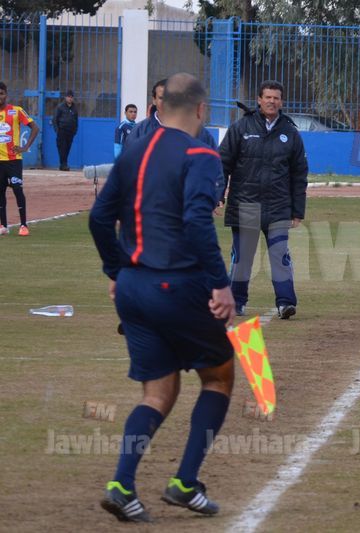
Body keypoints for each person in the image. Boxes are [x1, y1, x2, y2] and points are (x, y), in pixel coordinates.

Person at [89, 73, 236, 522]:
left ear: (159, 106)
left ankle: (121, 485)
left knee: (158, 393)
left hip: (132, 289)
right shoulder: (200, 153)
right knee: (219, 377)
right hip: (176, 284)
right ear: (201, 109)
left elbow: (99, 218)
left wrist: (115, 270)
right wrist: (221, 283)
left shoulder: (133, 151)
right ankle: (185, 482)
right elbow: (197, 221)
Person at [220, 80, 308, 319]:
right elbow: (223, 163)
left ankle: (285, 303)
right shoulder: (241, 127)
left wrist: (297, 210)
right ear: (259, 100)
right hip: (246, 204)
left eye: (276, 98)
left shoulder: (290, 133)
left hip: (278, 206)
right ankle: (237, 302)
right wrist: (218, 195)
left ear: (281, 102)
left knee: (280, 255)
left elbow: (299, 174)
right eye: (267, 97)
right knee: (243, 257)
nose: (272, 101)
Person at [125, 79, 218, 150]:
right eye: (161, 98)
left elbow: (213, 164)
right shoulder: (140, 131)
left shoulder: (200, 133)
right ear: (154, 100)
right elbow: (128, 163)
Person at [0, 81, 40, 237]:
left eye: (1, 93)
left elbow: (35, 127)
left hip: (14, 160)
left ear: (6, 95)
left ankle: (23, 225)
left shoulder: (16, 111)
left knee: (17, 189)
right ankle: (3, 225)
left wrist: (25, 147)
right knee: (0, 192)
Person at [54, 89, 78, 171]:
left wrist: (75, 131)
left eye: (71, 97)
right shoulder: (60, 107)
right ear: (65, 97)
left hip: (70, 132)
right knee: (62, 148)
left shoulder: (75, 108)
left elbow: (76, 120)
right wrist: (57, 130)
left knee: (67, 148)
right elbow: (55, 119)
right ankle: (64, 164)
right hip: (62, 131)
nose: (70, 98)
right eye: (68, 97)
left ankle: (63, 164)